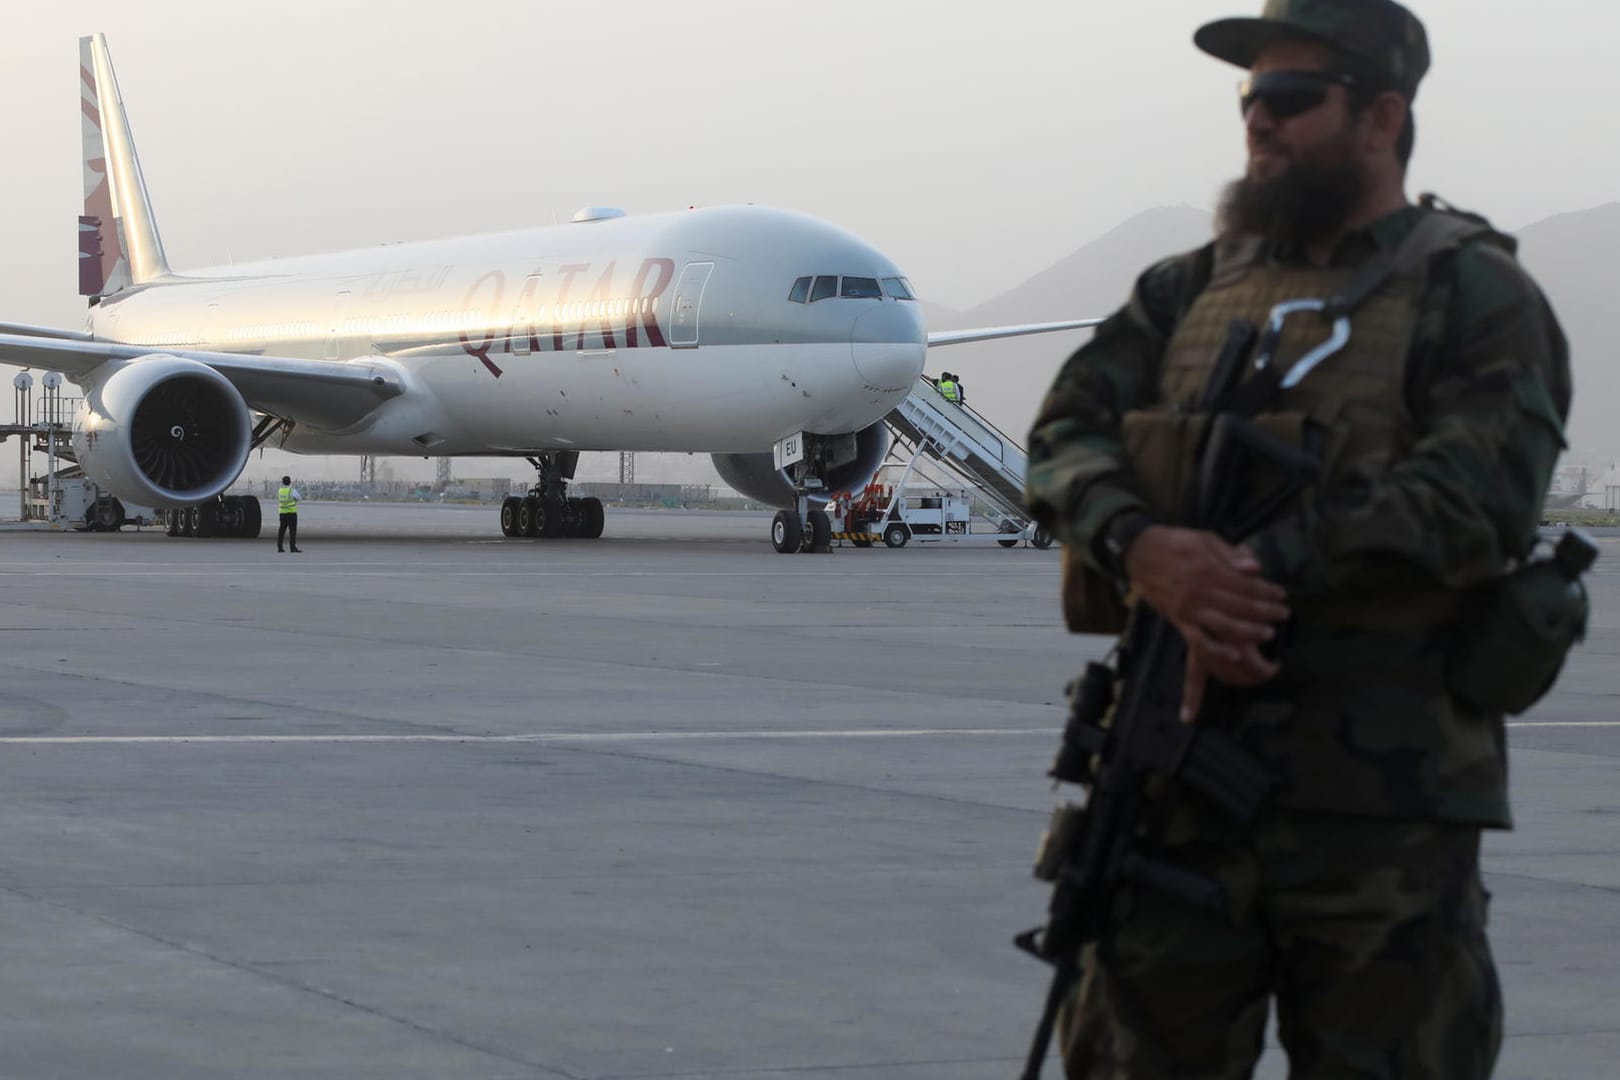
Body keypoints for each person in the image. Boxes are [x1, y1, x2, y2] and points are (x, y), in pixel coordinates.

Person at [1024, 1, 1570, 1076]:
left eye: (1286, 99)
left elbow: (1477, 497)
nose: (1257, 124)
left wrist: (1251, 573)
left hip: (1383, 821)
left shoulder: (1477, 294)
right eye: (1247, 99)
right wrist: (1142, 550)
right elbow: (1061, 432)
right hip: (1175, 799)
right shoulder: (1186, 290)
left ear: (1379, 117)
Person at [276, 475, 303, 553]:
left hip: (282, 513)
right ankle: (292, 547)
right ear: (290, 482)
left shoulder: (280, 491)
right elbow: (299, 498)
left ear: (282, 482)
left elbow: (278, 497)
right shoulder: (292, 490)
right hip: (291, 513)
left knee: (281, 531)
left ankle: (280, 547)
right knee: (292, 531)